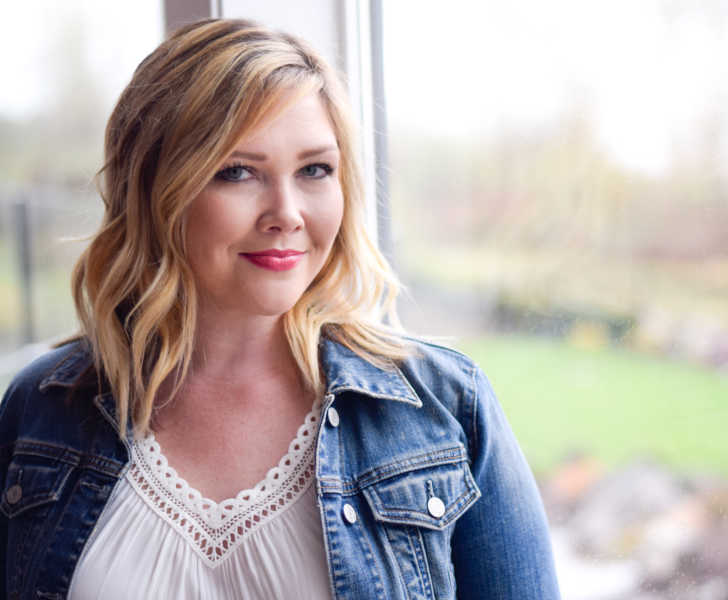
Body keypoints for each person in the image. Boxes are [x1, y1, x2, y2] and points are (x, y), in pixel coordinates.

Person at [0, 18, 559, 599]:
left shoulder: (444, 408)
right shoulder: (42, 410)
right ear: (154, 188)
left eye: (315, 169)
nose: (286, 212)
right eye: (237, 172)